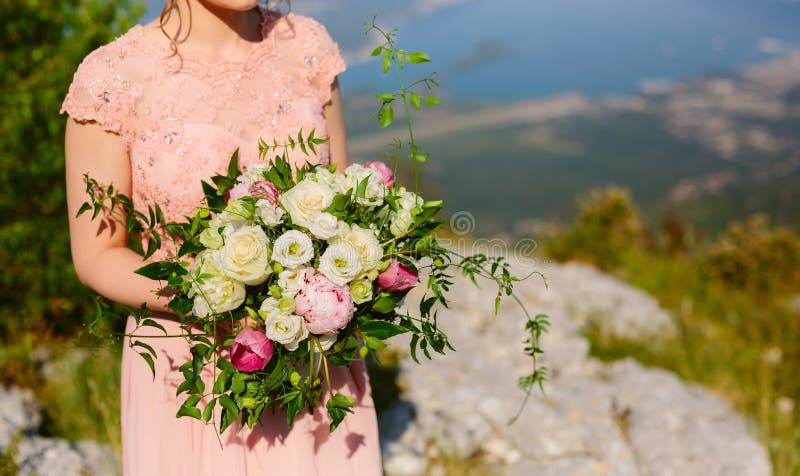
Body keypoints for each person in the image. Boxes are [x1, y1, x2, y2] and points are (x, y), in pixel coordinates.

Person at [60, 1, 382, 474]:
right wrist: (213, 294)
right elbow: (98, 254)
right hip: (193, 370)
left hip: (314, 364)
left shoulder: (306, 44)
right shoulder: (112, 77)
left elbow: (341, 205)